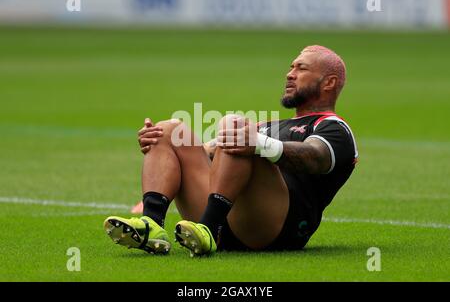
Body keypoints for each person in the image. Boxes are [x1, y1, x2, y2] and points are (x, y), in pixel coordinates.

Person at [103, 45, 358, 256]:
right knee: (169, 130)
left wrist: (259, 143)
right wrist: (160, 147)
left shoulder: (333, 128)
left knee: (234, 126)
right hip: (231, 218)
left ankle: (208, 228)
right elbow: (206, 152)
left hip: (275, 228)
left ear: (329, 83)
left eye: (301, 68)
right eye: (291, 67)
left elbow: (316, 158)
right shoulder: (267, 125)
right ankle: (152, 224)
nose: (290, 74)